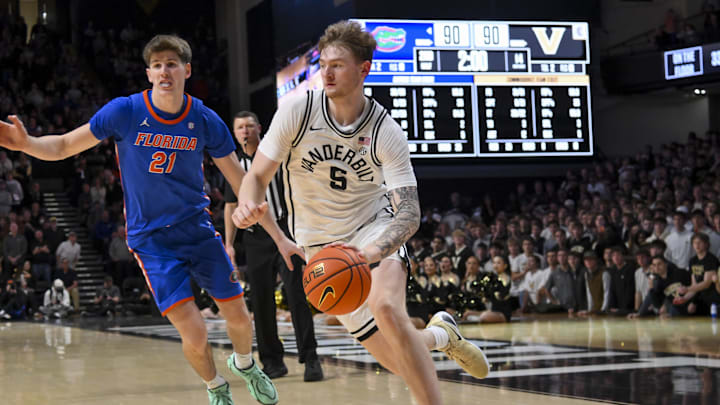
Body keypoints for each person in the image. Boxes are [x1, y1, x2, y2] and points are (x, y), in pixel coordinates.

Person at [0, 34, 296, 405]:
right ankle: (216, 387)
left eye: (171, 63)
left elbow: (242, 182)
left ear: (187, 70)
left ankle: (245, 364)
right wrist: (26, 144)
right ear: (147, 73)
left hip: (197, 230)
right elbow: (62, 146)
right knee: (195, 331)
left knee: (239, 317)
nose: (164, 71)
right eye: (156, 65)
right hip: (152, 240)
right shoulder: (124, 111)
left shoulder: (204, 119)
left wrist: (279, 237)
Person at [232, 21, 489, 405]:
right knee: (403, 359)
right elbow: (256, 175)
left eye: (338, 64)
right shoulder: (298, 112)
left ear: (364, 69)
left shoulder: (385, 130)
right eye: (324, 65)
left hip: (373, 230)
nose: (328, 73)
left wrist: (369, 253)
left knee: (387, 308)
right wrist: (248, 204)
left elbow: (409, 213)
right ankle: (441, 336)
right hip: (321, 247)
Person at [223, 110, 323, 382]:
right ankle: (272, 361)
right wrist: (229, 244)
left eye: (249, 126)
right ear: (235, 133)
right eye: (239, 127)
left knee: (297, 295)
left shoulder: (276, 153)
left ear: (259, 128)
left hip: (286, 230)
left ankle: (310, 358)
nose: (244, 131)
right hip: (255, 239)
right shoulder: (234, 165)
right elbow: (230, 205)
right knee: (261, 300)